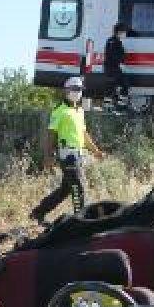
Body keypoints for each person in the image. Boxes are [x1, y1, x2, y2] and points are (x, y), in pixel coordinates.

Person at [29, 76, 104, 223]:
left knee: (66, 189)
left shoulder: (80, 111)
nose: (77, 92)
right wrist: (48, 157)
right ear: (66, 90)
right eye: (74, 89)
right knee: (79, 187)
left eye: (80, 90)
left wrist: (95, 151)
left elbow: (83, 134)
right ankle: (81, 222)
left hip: (79, 154)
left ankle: (38, 212)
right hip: (67, 155)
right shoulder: (59, 111)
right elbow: (51, 135)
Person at [104, 23, 130, 109]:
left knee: (113, 87)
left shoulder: (111, 40)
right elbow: (115, 55)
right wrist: (123, 56)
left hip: (111, 67)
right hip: (113, 68)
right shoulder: (115, 41)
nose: (124, 34)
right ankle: (119, 105)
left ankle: (112, 105)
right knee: (122, 84)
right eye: (123, 32)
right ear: (119, 32)